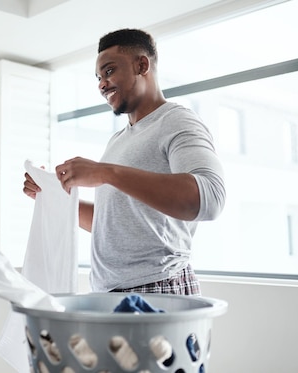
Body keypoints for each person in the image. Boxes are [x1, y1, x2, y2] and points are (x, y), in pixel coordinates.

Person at [23, 28, 226, 296]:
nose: (101, 84)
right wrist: (51, 198)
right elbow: (112, 222)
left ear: (142, 65)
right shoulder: (117, 141)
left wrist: (105, 172)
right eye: (98, 78)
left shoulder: (177, 121)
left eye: (108, 71)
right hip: (111, 293)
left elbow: (210, 198)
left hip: (158, 288)